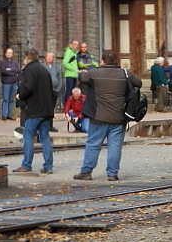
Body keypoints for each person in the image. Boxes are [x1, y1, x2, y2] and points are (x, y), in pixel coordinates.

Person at [75, 50, 141, 182]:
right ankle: (112, 174)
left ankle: (86, 172)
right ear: (116, 61)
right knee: (115, 146)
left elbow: (81, 78)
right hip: (118, 117)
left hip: (98, 117)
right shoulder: (125, 73)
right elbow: (138, 83)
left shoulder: (94, 73)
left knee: (93, 144)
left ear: (102, 61)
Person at [13, 47, 54, 174]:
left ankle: (26, 165)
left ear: (26, 58)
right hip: (46, 108)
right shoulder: (44, 70)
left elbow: (29, 88)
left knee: (27, 135)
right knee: (45, 137)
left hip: (35, 109)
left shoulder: (29, 70)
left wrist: (20, 96)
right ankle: (48, 166)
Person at [0, 47, 20, 121]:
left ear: (12, 54)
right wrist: (13, 73)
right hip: (6, 83)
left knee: (11, 99)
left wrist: (10, 69)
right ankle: (4, 115)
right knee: (5, 99)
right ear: (5, 53)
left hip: (13, 82)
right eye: (8, 53)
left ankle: (9, 114)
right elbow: (3, 71)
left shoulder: (15, 62)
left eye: (10, 53)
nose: (9, 54)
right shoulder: (2, 62)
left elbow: (18, 70)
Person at [43, 51, 63, 131]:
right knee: (45, 108)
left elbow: (60, 78)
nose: (50, 58)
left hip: (54, 91)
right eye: (48, 56)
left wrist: (58, 89)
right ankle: (44, 126)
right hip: (45, 91)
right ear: (45, 57)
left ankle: (50, 125)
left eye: (51, 57)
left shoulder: (56, 67)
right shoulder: (42, 66)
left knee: (51, 108)